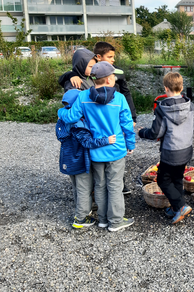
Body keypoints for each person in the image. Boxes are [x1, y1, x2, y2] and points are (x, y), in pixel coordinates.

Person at [58, 62, 136, 232]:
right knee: (115, 185)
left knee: (100, 185)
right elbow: (127, 125)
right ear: (109, 80)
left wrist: (60, 112)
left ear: (94, 80)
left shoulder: (83, 96)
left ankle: (102, 219)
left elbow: (70, 117)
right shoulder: (120, 98)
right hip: (116, 149)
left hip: (95, 151)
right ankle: (115, 221)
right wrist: (130, 143)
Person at [65, 41, 138, 195]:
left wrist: (132, 116)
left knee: (110, 169)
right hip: (98, 129)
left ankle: (111, 196)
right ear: (98, 58)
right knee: (105, 170)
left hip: (112, 121)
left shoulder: (116, 74)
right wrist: (71, 74)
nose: (113, 60)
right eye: (109, 57)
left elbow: (127, 93)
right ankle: (108, 202)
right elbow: (70, 79)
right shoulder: (88, 79)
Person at [138, 72, 194, 224]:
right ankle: (175, 207)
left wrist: (141, 132)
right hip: (186, 149)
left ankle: (180, 206)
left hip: (171, 151)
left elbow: (156, 132)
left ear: (166, 88)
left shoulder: (162, 108)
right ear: (181, 87)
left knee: (163, 179)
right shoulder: (190, 105)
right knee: (177, 178)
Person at [56, 89, 116, 229]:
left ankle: (81, 211)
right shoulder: (78, 124)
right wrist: (105, 140)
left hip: (68, 161)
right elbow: (87, 142)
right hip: (80, 161)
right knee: (84, 189)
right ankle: (81, 219)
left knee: (77, 188)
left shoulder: (62, 120)